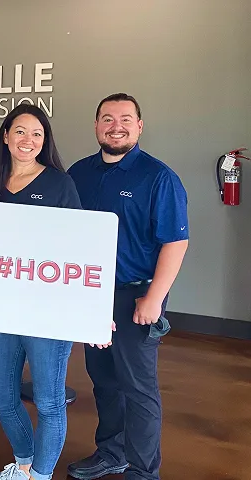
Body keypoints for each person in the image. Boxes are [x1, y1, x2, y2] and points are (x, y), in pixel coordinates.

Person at [66, 93, 189, 480]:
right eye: (106, 118)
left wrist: (154, 298)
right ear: (96, 125)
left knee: (138, 387)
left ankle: (142, 470)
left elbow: (176, 241)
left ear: (139, 125)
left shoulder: (159, 177)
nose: (115, 126)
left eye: (124, 119)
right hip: (91, 292)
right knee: (102, 377)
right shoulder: (79, 173)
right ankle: (112, 452)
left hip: (137, 293)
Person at [0, 104, 89, 480]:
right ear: (5, 136)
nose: (28, 140)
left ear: (45, 141)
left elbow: (79, 249)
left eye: (36, 134)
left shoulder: (59, 184)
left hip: (46, 311)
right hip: (1, 307)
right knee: (2, 396)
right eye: (20, 132)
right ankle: (23, 464)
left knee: (50, 401)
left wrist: (88, 310)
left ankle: (39, 475)